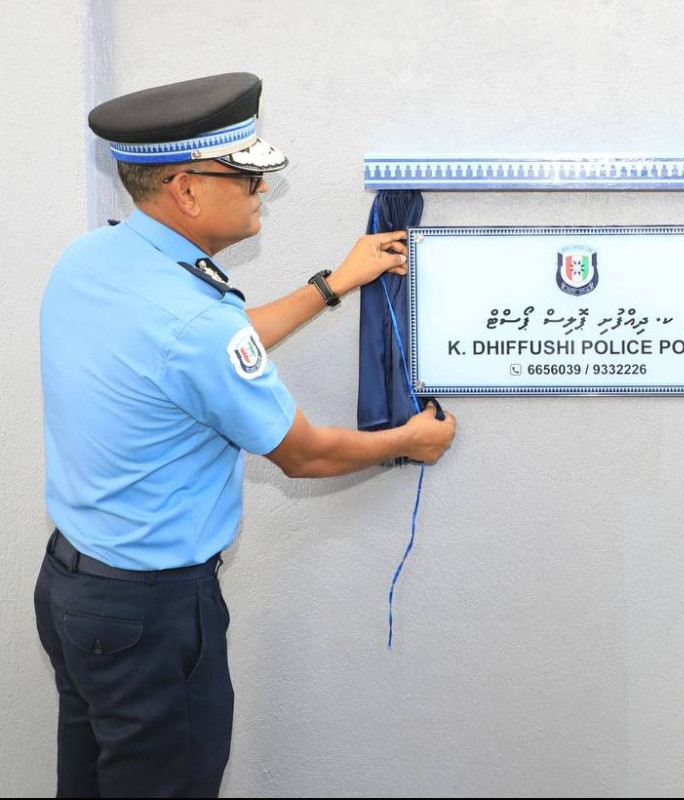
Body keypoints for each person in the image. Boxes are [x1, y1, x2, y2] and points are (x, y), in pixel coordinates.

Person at [35, 72, 456, 797]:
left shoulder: (94, 260)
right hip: (150, 617)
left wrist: (331, 285)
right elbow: (303, 453)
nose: (262, 189)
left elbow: (201, 351)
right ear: (186, 191)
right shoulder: (198, 325)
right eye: (247, 177)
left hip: (74, 592)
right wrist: (408, 440)